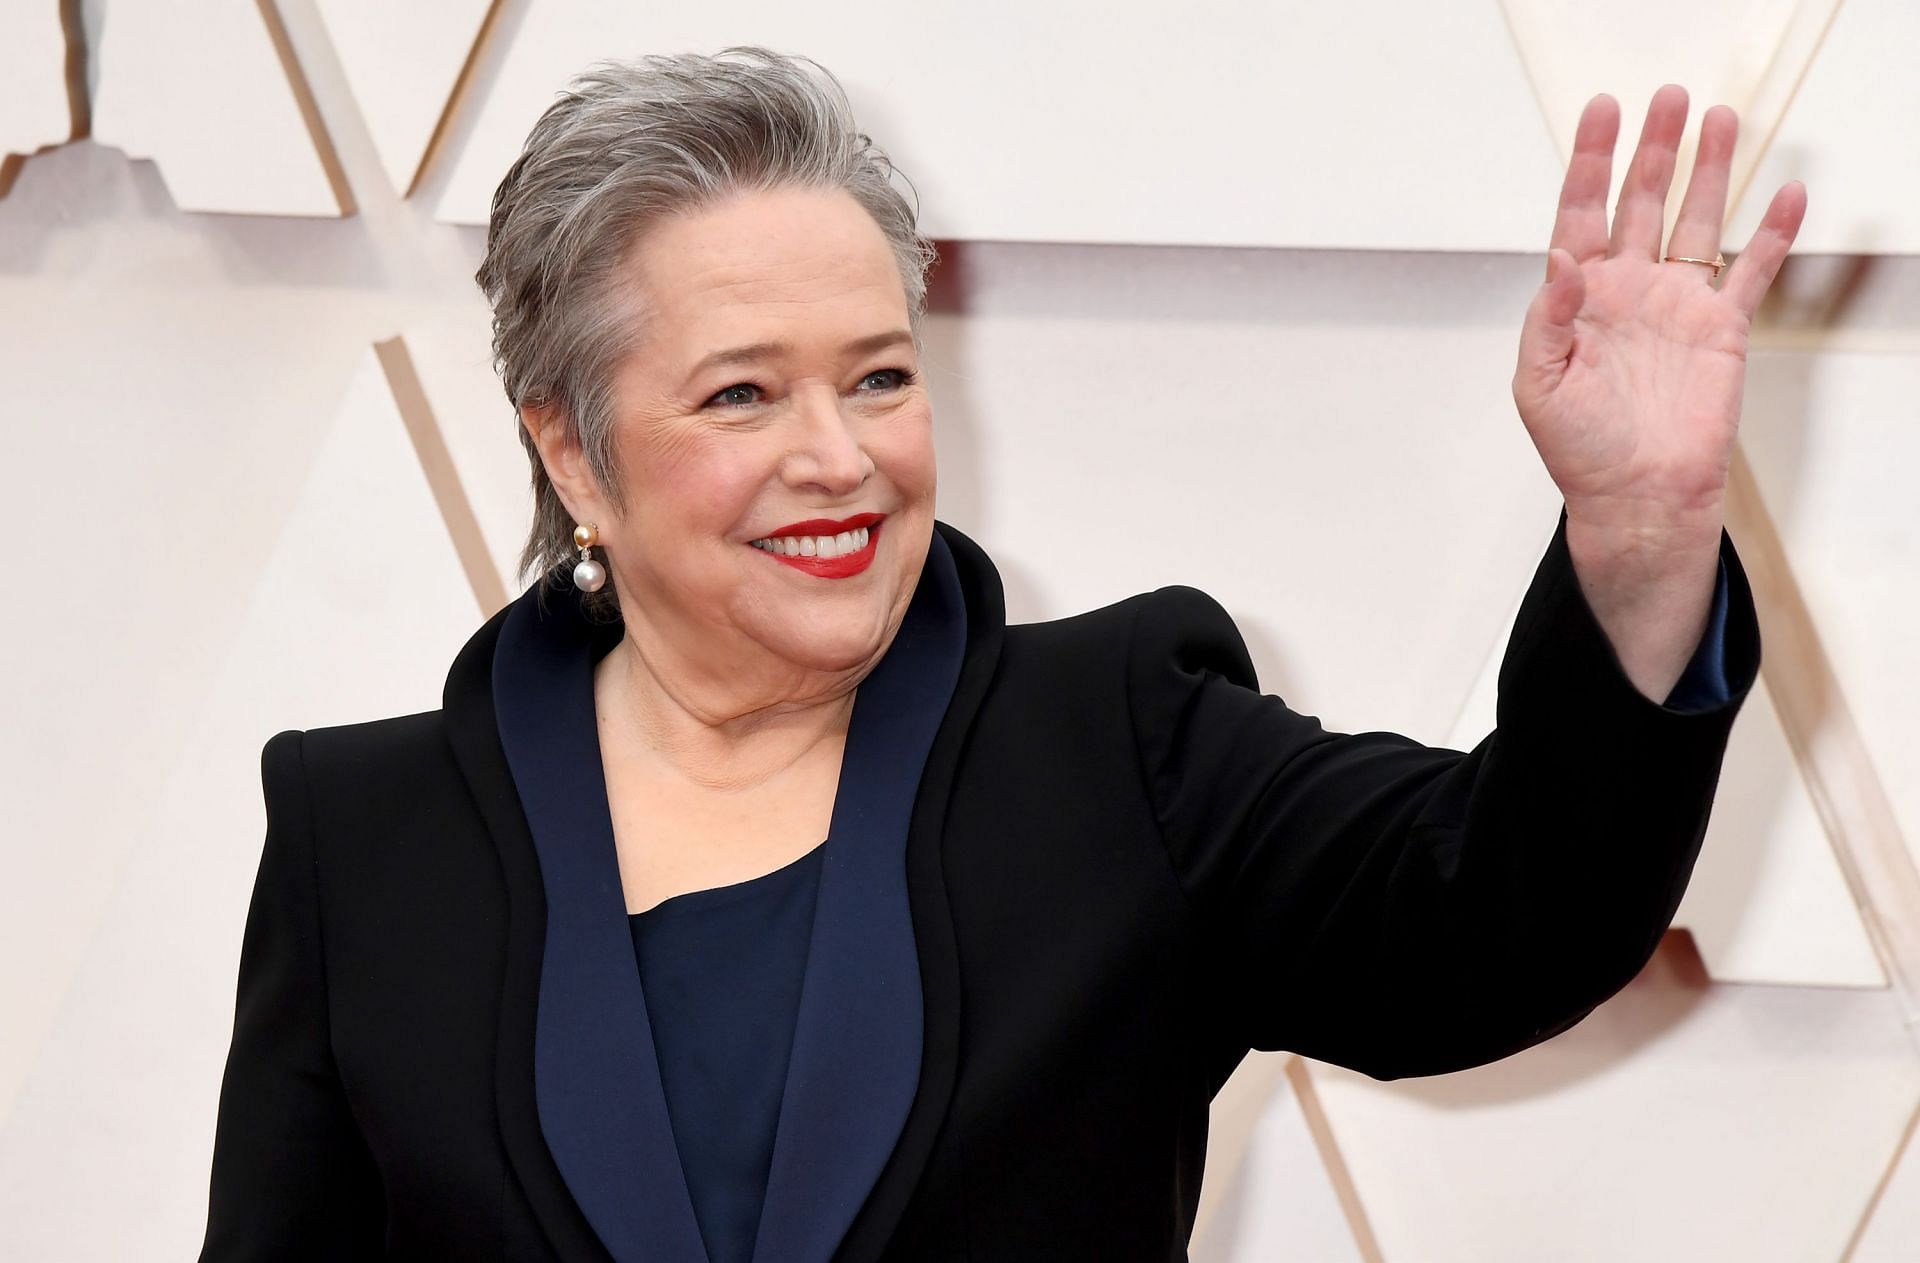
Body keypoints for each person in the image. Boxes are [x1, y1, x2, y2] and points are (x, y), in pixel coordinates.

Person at [198, 46, 1800, 1262]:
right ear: (571, 453)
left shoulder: (1121, 743)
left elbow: (1509, 914)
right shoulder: (365, 839)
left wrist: (1640, 526)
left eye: (878, 378)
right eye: (743, 395)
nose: (839, 458)